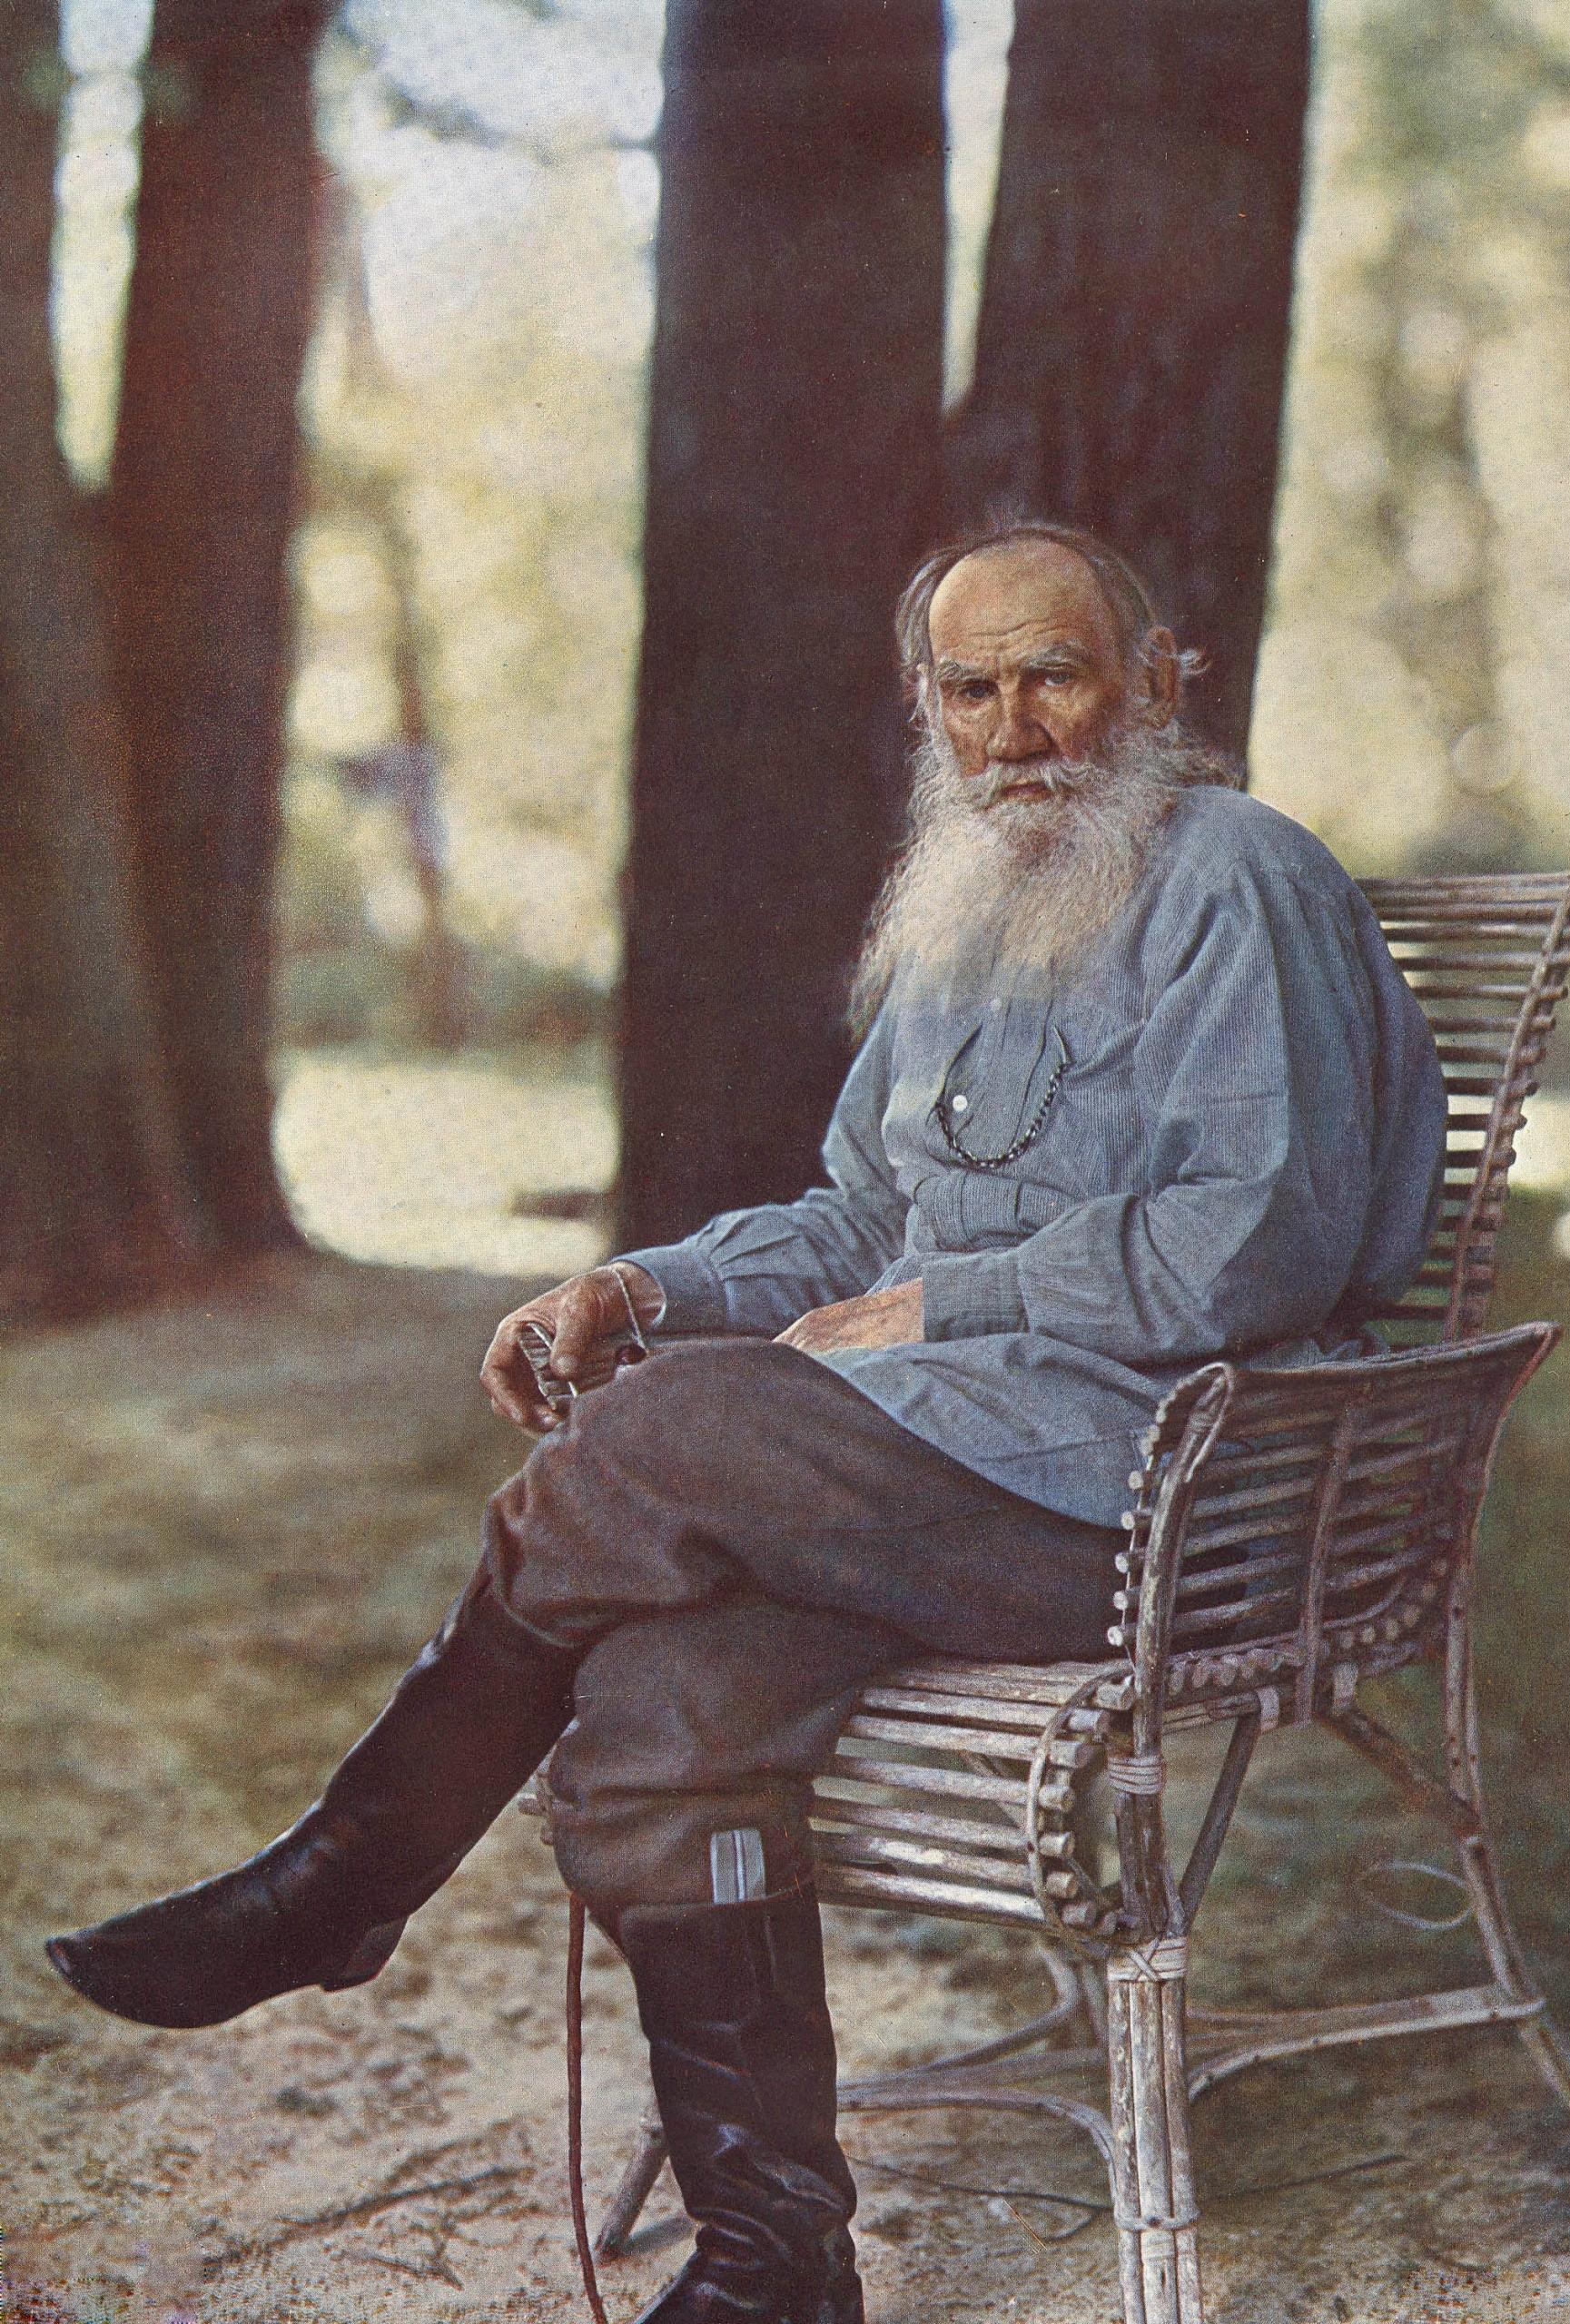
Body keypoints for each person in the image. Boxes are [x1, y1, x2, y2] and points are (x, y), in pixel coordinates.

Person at [47, 520, 1447, 2324]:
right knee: (652, 1699)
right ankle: (776, 2255)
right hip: (921, 1476)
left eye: (1056, 673)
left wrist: (953, 1298)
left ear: (1160, 680)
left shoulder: (1235, 874)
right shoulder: (977, 898)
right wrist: (640, 1289)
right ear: (926, 710)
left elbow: (1258, 1237)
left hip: (1146, 1495)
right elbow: (854, 1216)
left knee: (676, 1430)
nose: (1013, 724)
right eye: (969, 686)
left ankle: (345, 1867)